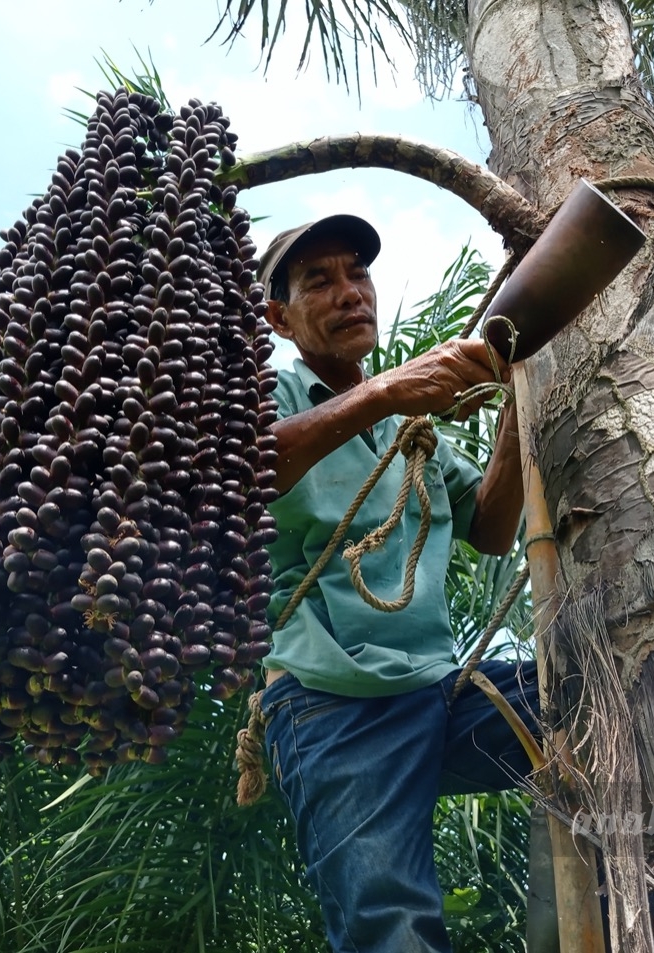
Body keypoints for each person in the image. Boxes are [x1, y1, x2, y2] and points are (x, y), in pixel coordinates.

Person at [255, 213, 543, 953]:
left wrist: (521, 397)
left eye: (358, 273)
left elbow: (490, 528)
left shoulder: (410, 431)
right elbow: (250, 466)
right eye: (320, 281)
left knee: (586, 700)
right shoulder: (273, 395)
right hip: (332, 702)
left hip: (440, 689)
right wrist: (384, 391)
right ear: (279, 318)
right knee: (393, 928)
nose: (350, 292)